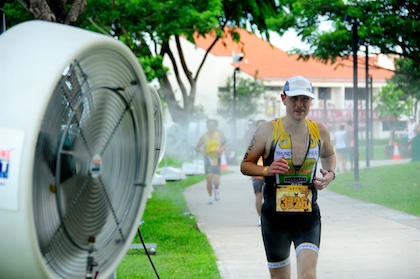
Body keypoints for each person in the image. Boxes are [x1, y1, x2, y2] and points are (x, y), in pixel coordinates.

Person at [241, 75, 336, 279]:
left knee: (308, 275)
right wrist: (267, 170)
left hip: (307, 216)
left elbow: (329, 154)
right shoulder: (267, 130)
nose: (299, 105)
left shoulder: (319, 131)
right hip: (275, 219)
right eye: (294, 99)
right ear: (283, 99)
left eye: (305, 99)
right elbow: (245, 165)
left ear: (311, 101)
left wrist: (330, 174)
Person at [195, 119, 227, 204]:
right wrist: (203, 151)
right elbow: (197, 147)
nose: (210, 127)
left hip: (216, 158)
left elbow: (225, 144)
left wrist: (221, 150)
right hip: (208, 159)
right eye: (209, 125)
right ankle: (210, 196)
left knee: (216, 180)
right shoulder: (204, 136)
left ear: (216, 126)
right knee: (209, 179)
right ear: (207, 126)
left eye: (212, 125)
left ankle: (216, 189)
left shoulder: (219, 135)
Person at [250, 119, 266, 226]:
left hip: (269, 173)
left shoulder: (273, 139)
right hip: (257, 173)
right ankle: (260, 217)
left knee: (269, 197)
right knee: (258, 196)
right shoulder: (254, 141)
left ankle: (268, 218)